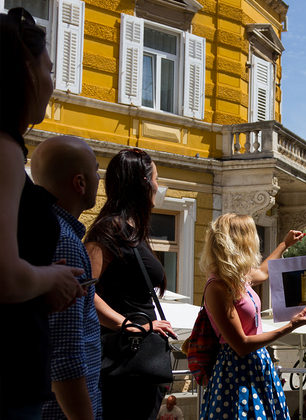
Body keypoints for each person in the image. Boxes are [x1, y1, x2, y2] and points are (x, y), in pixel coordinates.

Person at [0, 8, 86, 418]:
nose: (54, 83)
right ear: (26, 73)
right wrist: (51, 277)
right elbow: (5, 276)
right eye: (49, 69)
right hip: (9, 383)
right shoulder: (4, 148)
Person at [85, 148, 176, 420]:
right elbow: (84, 290)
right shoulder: (109, 229)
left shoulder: (132, 230)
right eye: (157, 179)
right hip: (124, 364)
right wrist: (132, 325)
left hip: (139, 364)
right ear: (144, 182)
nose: (159, 187)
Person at [199, 213, 306, 420]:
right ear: (240, 241)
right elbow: (241, 345)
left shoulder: (237, 277)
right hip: (235, 369)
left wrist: (284, 244)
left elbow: (263, 271)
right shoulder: (217, 286)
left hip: (255, 364)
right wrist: (290, 326)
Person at [33, 136, 102, 420]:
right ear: (80, 183)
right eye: (97, 170)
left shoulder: (45, 232)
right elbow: (65, 357)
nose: (100, 178)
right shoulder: (66, 244)